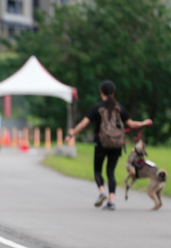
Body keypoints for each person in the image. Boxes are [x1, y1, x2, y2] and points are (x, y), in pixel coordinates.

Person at [65, 80, 152, 210]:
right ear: (114, 93)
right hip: (117, 144)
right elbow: (131, 124)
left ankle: (101, 192)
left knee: (97, 170)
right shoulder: (120, 108)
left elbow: (84, 124)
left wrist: (72, 133)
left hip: (101, 143)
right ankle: (111, 202)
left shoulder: (97, 108)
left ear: (101, 92)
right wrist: (144, 123)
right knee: (110, 172)